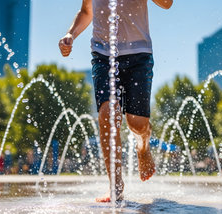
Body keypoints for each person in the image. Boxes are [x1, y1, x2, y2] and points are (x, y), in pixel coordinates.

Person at [59, 0, 173, 202]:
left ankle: (143, 147)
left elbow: (167, 4)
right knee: (107, 113)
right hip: (103, 55)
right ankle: (116, 185)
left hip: (139, 54)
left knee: (137, 123)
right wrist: (71, 34)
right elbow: (87, 11)